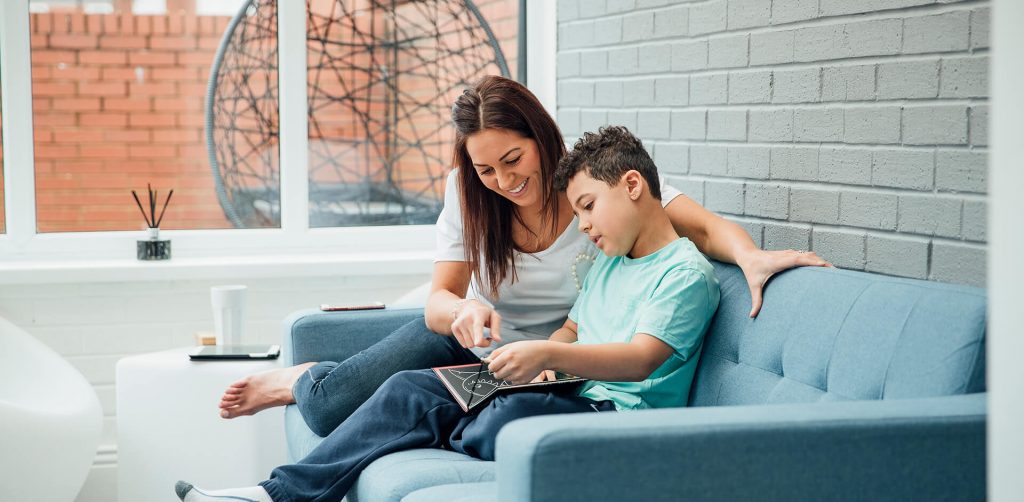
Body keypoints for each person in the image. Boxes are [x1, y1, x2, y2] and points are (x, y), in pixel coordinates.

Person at [216, 76, 829, 438]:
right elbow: (437, 298)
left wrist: (749, 257)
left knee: (415, 405)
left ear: (540, 139)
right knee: (324, 410)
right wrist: (462, 312)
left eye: (513, 160)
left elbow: (700, 228)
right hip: (474, 343)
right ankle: (301, 378)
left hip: (552, 365)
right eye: (486, 170)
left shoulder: (592, 189)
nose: (504, 181)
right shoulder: (470, 196)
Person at [175, 125, 721, 502]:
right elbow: (575, 326)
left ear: (632, 186)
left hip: (614, 417)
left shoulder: (684, 274)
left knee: (501, 421)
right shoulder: (608, 260)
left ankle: (454, 424)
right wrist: (549, 359)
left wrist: (549, 354)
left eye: (587, 208)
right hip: (567, 387)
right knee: (411, 389)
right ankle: (277, 493)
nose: (582, 224)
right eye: (577, 211)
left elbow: (643, 359)